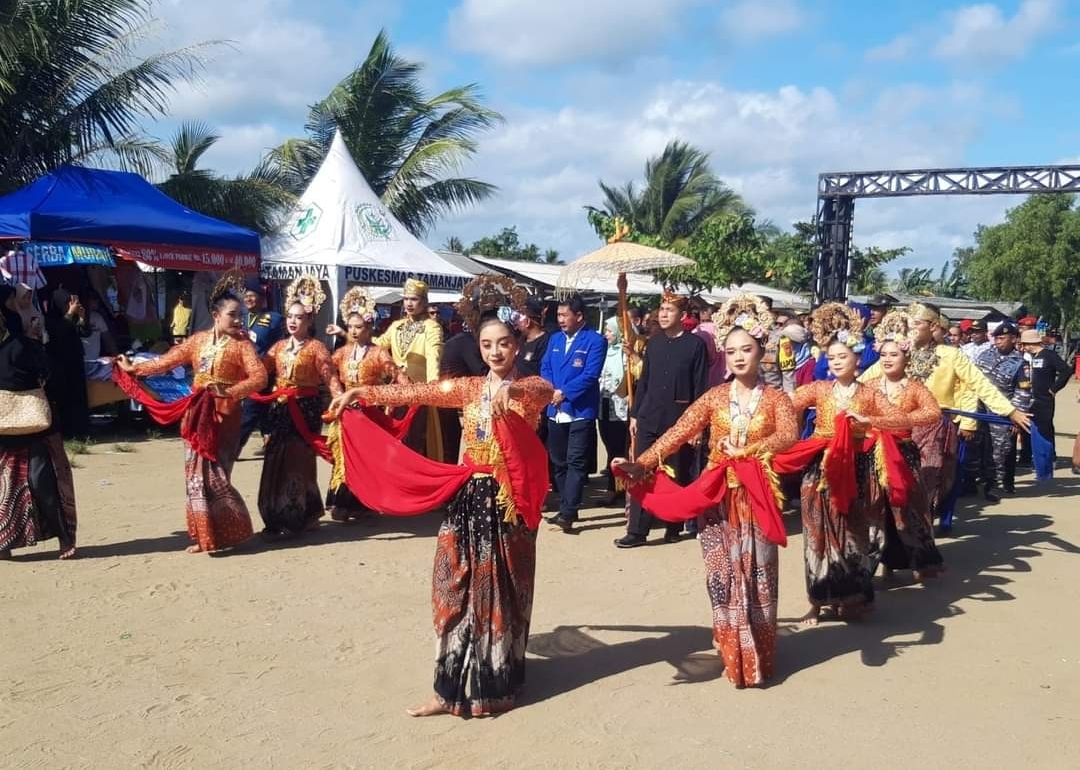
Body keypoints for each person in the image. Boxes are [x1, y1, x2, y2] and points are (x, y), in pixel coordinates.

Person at [328, 313, 554, 718]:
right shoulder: (467, 389)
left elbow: (543, 387)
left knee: (501, 591)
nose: (495, 351)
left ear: (516, 345)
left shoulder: (530, 388)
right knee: (451, 584)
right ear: (479, 349)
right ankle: (447, 688)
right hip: (467, 497)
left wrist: (514, 389)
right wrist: (360, 392)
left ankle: (496, 681)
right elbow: (419, 392)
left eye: (503, 343)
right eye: (487, 345)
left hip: (506, 504)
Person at [612, 295, 798, 687]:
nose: (738, 357)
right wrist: (642, 463)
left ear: (761, 350)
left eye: (746, 349)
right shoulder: (714, 398)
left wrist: (747, 451)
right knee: (721, 574)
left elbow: (788, 435)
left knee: (758, 573)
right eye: (731, 351)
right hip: (717, 498)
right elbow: (679, 431)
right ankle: (730, 642)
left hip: (756, 496)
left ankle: (758, 650)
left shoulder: (778, 398)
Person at [115, 270, 267, 554]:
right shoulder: (198, 341)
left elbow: (259, 377)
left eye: (240, 315)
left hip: (225, 412)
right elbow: (167, 361)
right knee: (194, 473)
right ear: (216, 314)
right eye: (233, 314)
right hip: (197, 411)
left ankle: (227, 532)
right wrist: (135, 368)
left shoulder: (243, 344)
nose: (238, 320)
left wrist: (231, 392)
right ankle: (203, 534)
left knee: (218, 472)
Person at [787, 303, 909, 624]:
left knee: (854, 533)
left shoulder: (868, 393)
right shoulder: (818, 388)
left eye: (844, 356)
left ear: (857, 359)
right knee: (817, 534)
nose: (837, 361)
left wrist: (867, 419)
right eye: (832, 357)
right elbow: (785, 405)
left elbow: (898, 419)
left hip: (857, 467)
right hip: (820, 467)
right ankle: (817, 600)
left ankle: (851, 595)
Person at [860, 303, 1030, 523]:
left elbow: (978, 384)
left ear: (932, 327)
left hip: (934, 429)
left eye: (917, 323)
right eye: (909, 323)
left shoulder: (950, 355)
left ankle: (919, 526)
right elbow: (864, 383)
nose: (911, 328)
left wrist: (1010, 411)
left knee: (925, 481)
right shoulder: (897, 353)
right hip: (897, 428)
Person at [615, 291, 709, 548]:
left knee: (676, 472)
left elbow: (700, 389)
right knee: (639, 470)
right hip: (649, 415)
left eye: (669, 310)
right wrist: (635, 415)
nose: (663, 314)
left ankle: (673, 523)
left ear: (683, 315)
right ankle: (636, 530)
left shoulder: (695, 345)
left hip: (679, 420)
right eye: (662, 309)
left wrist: (697, 425)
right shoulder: (653, 343)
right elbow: (644, 382)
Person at [860, 310, 944, 580]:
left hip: (904, 454)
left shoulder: (915, 387)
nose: (887, 359)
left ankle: (920, 560)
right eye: (883, 354)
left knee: (908, 509)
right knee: (874, 509)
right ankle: (878, 565)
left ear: (906, 357)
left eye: (893, 354)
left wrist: (901, 420)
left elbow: (933, 413)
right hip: (873, 453)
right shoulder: (870, 385)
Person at [257, 276, 339, 540]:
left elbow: (330, 379)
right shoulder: (278, 348)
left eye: (299, 317)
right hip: (279, 408)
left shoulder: (317, 349)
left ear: (310, 320)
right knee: (274, 459)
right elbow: (259, 372)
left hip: (305, 409)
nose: (293, 321)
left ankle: (297, 516)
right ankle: (273, 516)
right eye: (290, 316)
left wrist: (340, 401)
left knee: (297, 460)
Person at [0, 290, 76, 560]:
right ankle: (62, 539)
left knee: (18, 481)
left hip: (20, 424)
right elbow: (49, 376)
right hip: (28, 423)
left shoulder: (23, 344)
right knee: (38, 479)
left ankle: (9, 544)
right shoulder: (24, 344)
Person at [325, 287, 399, 523]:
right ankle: (341, 500)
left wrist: (387, 401)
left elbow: (395, 375)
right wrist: (336, 392)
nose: (355, 331)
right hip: (346, 412)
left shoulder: (378, 353)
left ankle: (362, 501)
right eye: (352, 327)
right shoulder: (343, 352)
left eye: (360, 327)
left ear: (369, 328)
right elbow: (326, 369)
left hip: (368, 412)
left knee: (364, 457)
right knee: (343, 456)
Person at [541, 294, 606, 533]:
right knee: (558, 462)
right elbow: (545, 367)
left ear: (579, 316)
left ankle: (568, 512)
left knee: (576, 462)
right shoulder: (555, 339)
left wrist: (565, 393)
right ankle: (568, 504)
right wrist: (551, 390)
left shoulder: (594, 341)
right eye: (558, 315)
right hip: (554, 409)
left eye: (564, 315)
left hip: (579, 410)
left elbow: (590, 374)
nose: (560, 320)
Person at [374, 279, 444, 460]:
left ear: (424, 301)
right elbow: (378, 345)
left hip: (418, 392)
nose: (409, 304)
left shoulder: (431, 327)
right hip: (396, 391)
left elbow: (433, 354)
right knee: (393, 437)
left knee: (415, 439)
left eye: (414, 299)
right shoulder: (397, 326)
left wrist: (432, 385)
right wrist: (349, 335)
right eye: (406, 299)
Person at [970, 322, 1032, 499]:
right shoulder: (985, 355)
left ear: (1013, 339)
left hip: (1003, 412)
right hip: (979, 408)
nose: (997, 342)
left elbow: (1023, 392)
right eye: (996, 338)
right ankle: (972, 482)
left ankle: (996, 485)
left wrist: (1017, 417)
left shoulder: (1020, 363)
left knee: (1000, 450)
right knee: (976, 445)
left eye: (1002, 338)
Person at [238, 286, 283, 455]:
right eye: (246, 296)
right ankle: (270, 442)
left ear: (262, 299)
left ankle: (234, 447)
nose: (249, 299)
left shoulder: (273, 318)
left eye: (252, 296)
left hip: (264, 369)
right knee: (263, 409)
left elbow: (278, 344)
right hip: (243, 370)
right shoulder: (240, 317)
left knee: (250, 408)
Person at [43, 288, 90, 438]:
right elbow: (60, 331)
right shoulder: (50, 319)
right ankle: (67, 431)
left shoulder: (72, 317)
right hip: (59, 362)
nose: (69, 306)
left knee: (78, 395)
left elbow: (85, 332)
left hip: (75, 359)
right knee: (64, 397)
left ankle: (81, 429)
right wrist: (69, 313)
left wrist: (82, 318)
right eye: (66, 303)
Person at [1019, 328, 1072, 462]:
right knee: (1026, 427)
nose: (1023, 347)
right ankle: (1026, 457)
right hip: (1028, 399)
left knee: (1045, 428)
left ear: (1030, 343)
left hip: (1044, 400)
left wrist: (1054, 389)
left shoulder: (1048, 355)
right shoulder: (1027, 358)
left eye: (1024, 344)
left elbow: (1066, 371)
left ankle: (1049, 456)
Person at [597, 316, 629, 507]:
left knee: (619, 448)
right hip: (604, 404)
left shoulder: (624, 354)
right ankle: (615, 485)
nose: (606, 334)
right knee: (609, 446)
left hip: (620, 406)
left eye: (610, 331)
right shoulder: (604, 352)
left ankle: (616, 487)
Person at [515, 296, 549, 378]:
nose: (516, 322)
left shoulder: (545, 343)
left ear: (527, 321)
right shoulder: (521, 339)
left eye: (519, 317)